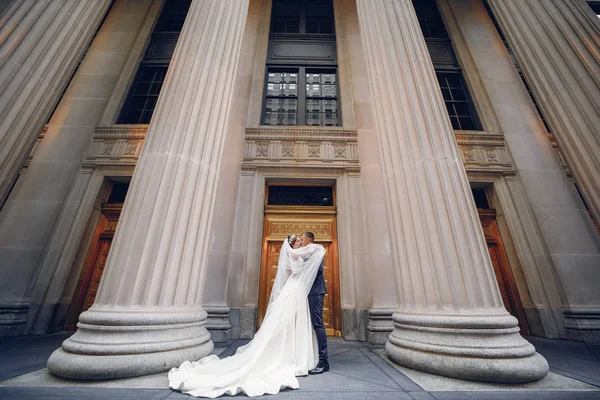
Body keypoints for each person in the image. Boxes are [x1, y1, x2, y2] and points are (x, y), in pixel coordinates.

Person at [168, 235, 326, 398]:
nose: (301, 242)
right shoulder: (295, 255)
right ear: (292, 245)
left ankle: (299, 355)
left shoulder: (304, 252)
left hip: (297, 292)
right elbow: (301, 268)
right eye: (298, 241)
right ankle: (293, 357)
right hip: (294, 291)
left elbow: (315, 255)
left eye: (302, 240)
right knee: (289, 325)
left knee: (297, 324)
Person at [300, 232, 329, 374]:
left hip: (316, 291)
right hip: (308, 292)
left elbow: (318, 270)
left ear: (307, 239)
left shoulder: (317, 251)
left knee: (318, 324)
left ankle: (324, 362)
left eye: (302, 238)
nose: (301, 241)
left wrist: (302, 270)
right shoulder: (307, 252)